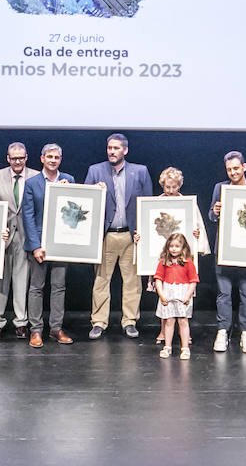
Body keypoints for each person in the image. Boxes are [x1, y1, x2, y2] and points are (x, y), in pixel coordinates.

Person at [85, 133, 153, 340]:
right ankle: (98, 322)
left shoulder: (140, 171)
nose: (111, 151)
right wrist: (93, 192)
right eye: (109, 148)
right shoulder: (95, 171)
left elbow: (148, 203)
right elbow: (85, 204)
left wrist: (144, 234)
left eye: (116, 148)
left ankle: (130, 321)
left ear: (125, 150)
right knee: (101, 280)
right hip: (106, 236)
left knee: (132, 281)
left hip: (131, 236)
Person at [21, 143, 76, 348]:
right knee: (36, 287)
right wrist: (36, 246)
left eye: (56, 157)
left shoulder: (68, 179)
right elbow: (28, 216)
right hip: (39, 243)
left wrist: (69, 191)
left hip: (61, 241)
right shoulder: (32, 183)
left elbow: (75, 208)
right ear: (42, 158)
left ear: (60, 160)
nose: (53, 160)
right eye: (49, 156)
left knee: (59, 287)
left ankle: (55, 328)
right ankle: (35, 330)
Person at [208, 150, 246, 354]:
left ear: (244, 167)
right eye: (229, 169)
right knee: (224, 293)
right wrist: (215, 211)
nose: (233, 172)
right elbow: (211, 215)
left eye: (236, 168)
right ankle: (223, 331)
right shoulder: (220, 188)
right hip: (224, 250)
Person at [155, 167, 208, 345]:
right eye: (167, 187)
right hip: (164, 256)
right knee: (163, 295)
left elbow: (197, 224)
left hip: (183, 258)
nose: (170, 191)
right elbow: (150, 227)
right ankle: (163, 330)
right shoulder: (155, 203)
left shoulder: (187, 203)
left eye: (173, 187)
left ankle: (184, 332)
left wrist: (197, 234)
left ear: (179, 185)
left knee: (184, 295)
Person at [0, 142, 32, 340]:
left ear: (26, 157)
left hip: (26, 236)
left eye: (21, 158)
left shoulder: (36, 176)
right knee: (0, 282)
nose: (17, 161)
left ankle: (21, 322)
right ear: (8, 158)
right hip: (2, 236)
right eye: (14, 158)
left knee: (22, 281)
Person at [154, 232, 199, 360]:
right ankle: (167, 347)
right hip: (168, 294)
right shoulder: (164, 261)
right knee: (169, 321)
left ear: (183, 247)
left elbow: (193, 281)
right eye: (171, 246)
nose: (174, 249)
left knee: (183, 321)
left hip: (183, 294)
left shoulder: (188, 262)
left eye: (177, 246)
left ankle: (185, 348)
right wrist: (161, 295)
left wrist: (188, 296)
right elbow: (158, 279)